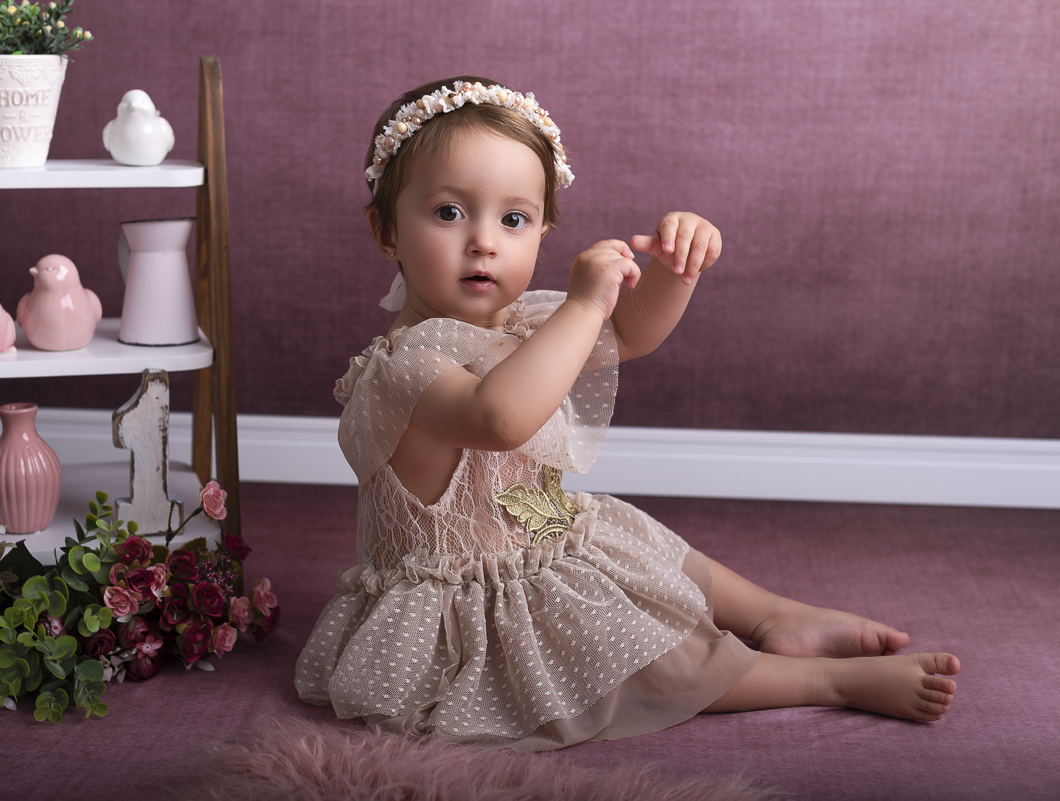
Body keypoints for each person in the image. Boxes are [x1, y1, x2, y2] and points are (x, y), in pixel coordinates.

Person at [295, 75, 960, 750]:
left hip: (546, 542)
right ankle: (827, 682)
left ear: (542, 231)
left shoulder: (522, 319)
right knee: (636, 656)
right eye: (448, 213)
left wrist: (677, 269)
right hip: (467, 605)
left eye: (514, 219)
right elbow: (500, 416)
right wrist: (585, 306)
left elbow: (632, 333)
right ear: (386, 230)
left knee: (648, 546)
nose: (485, 242)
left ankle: (778, 614)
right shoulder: (404, 367)